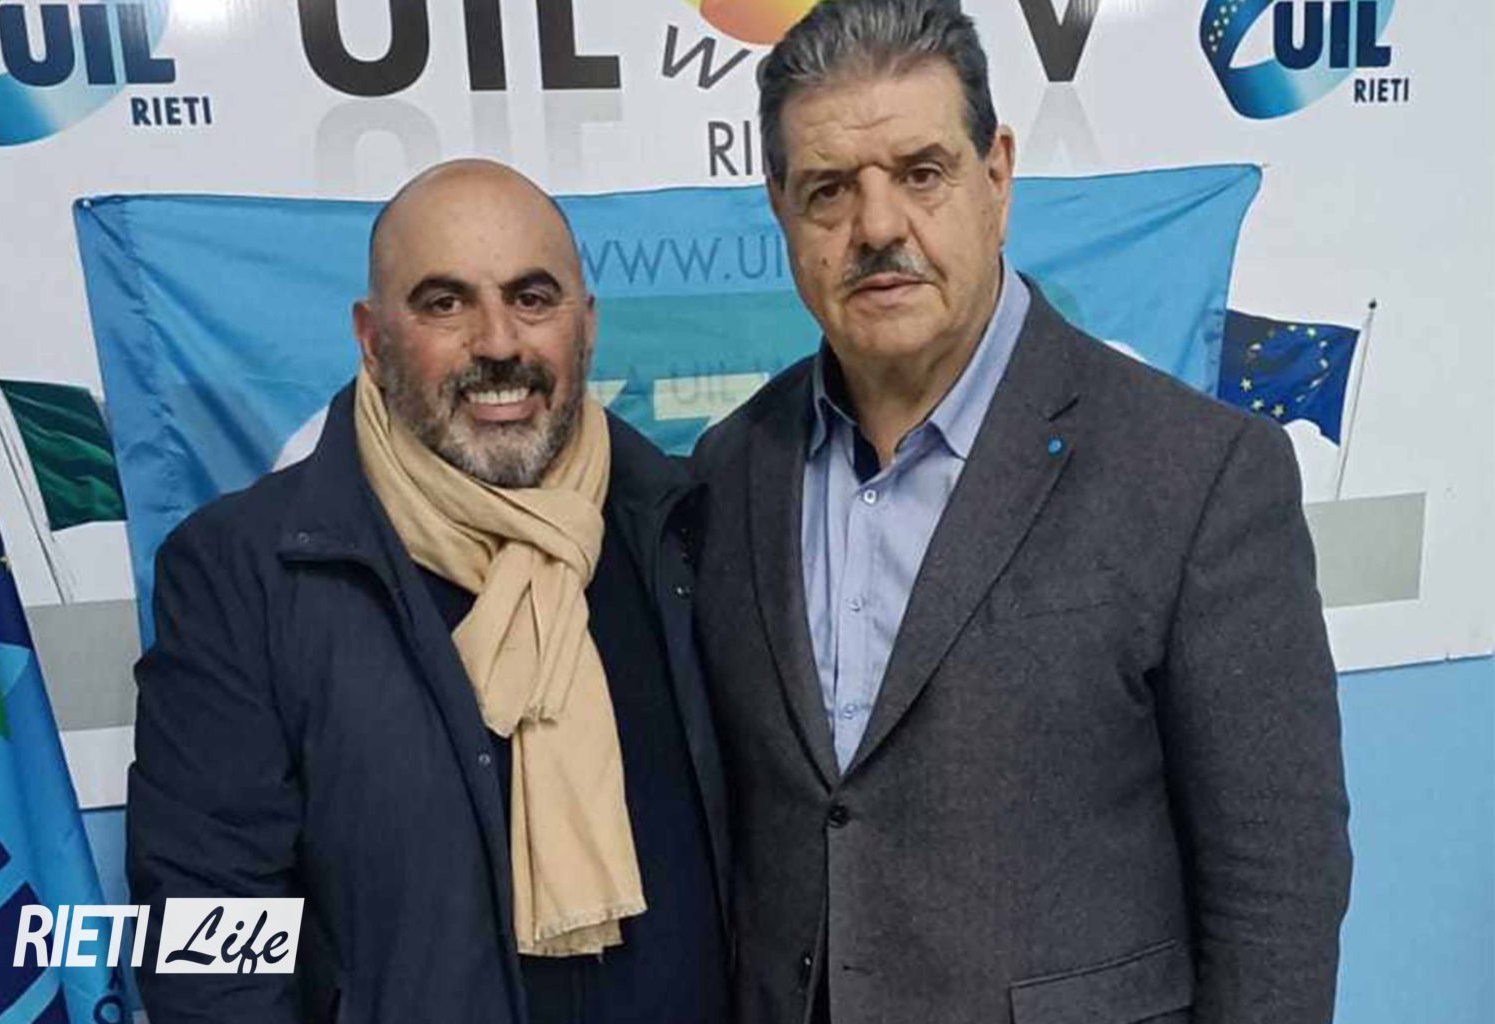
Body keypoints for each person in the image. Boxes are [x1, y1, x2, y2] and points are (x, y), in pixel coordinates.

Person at [691, 2, 1352, 1022]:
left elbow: (1278, 894)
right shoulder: (732, 469)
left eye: (921, 173)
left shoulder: (1199, 475)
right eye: (829, 189)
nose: (877, 227)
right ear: (779, 206)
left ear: (996, 176)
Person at [128, 159, 729, 1024]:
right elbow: (206, 927)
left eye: (532, 298)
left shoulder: (681, 526)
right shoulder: (242, 572)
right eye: (444, 303)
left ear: (586, 325)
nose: (498, 343)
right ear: (372, 339)